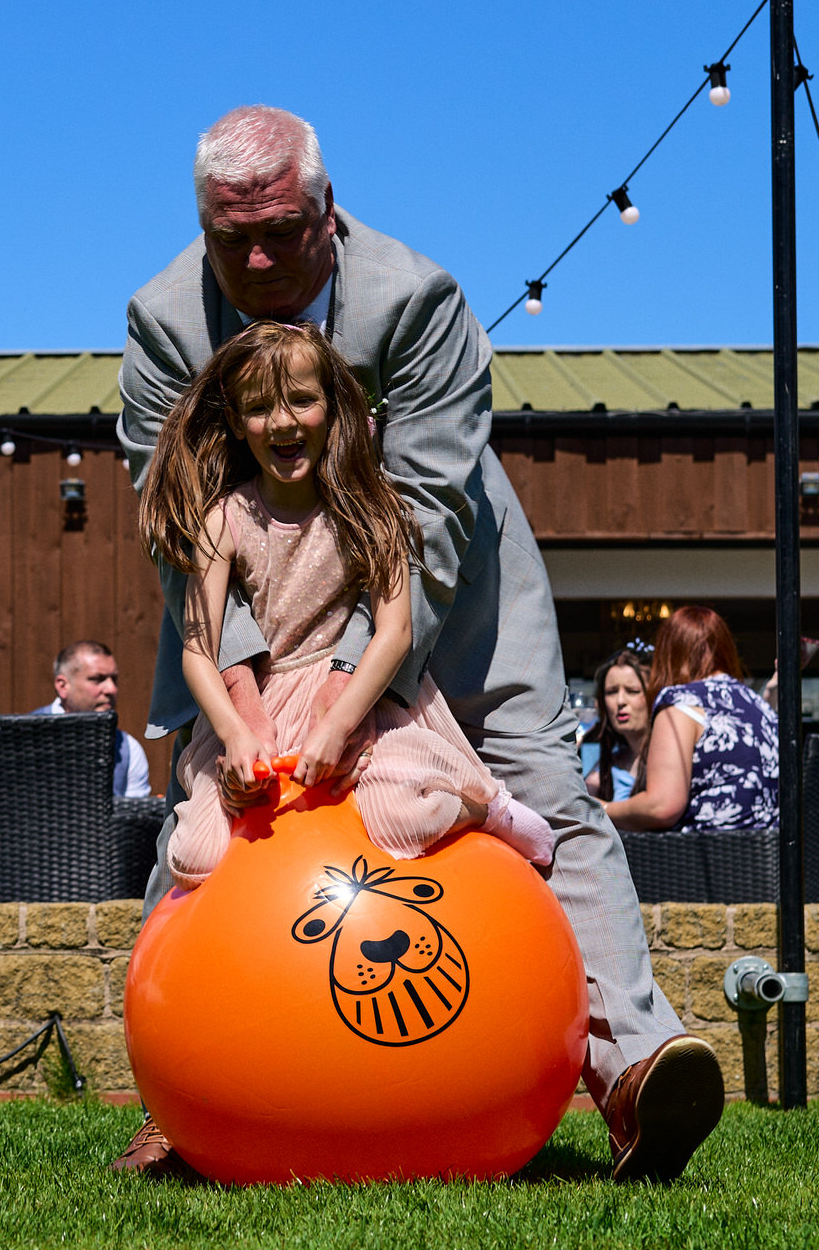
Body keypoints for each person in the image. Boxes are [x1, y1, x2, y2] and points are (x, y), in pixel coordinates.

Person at [111, 105, 721, 1183]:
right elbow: (179, 519)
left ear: (327, 211)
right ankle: (187, 1089)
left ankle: (628, 1070)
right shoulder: (163, 322)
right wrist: (250, 719)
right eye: (226, 236)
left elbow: (431, 515)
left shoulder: (419, 301)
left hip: (448, 592)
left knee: (541, 786)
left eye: (282, 231)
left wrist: (353, 695)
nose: (254, 259)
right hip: (256, 614)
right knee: (211, 815)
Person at [136, 321, 553, 882]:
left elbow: (394, 632)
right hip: (263, 704)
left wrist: (339, 724)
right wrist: (234, 732)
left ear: (332, 408)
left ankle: (487, 808)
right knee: (194, 856)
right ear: (235, 422)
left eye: (303, 400)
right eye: (259, 408)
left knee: (401, 817)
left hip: (358, 698)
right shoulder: (224, 517)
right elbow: (198, 650)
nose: (283, 421)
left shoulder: (371, 508)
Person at [608, 607, 778, 833]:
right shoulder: (758, 704)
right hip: (772, 855)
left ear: (671, 652)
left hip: (708, 856)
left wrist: (604, 809)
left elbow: (662, 807)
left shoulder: (682, 701)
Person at [30, 641, 152, 798]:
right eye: (97, 679)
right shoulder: (23, 737)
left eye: (114, 679)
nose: (111, 689)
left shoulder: (128, 749)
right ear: (63, 686)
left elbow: (136, 818)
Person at [585, 642, 654, 803]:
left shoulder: (667, 759)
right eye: (611, 692)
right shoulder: (608, 766)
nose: (620, 701)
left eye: (632, 691)